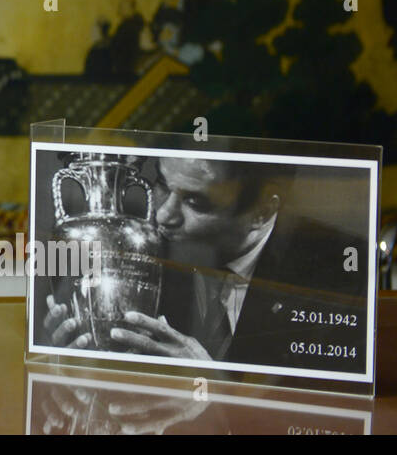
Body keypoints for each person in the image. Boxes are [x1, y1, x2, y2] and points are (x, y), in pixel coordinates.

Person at [43, 157, 369, 369]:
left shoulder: (335, 274)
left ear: (262, 211)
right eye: (161, 185)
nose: (162, 215)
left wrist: (214, 387)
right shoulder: (142, 253)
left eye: (196, 201)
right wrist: (77, 360)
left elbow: (323, 408)